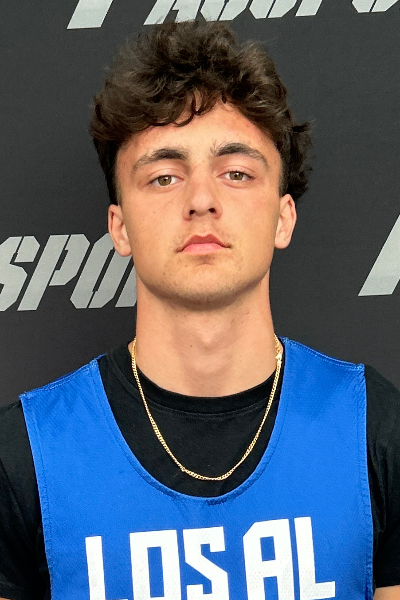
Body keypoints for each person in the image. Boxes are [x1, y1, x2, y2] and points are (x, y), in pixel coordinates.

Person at [0, 20, 399, 600]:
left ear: (283, 216)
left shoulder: (374, 430)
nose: (202, 199)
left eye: (236, 173)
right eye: (164, 177)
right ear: (119, 227)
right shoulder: (24, 455)